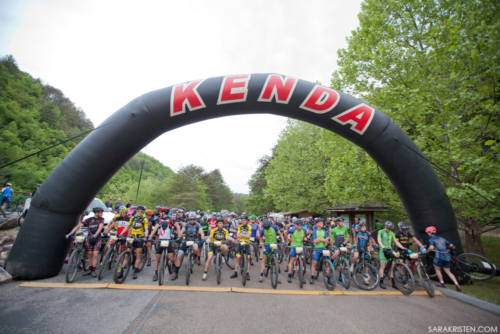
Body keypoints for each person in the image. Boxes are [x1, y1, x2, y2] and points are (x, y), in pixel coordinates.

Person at [67, 207, 105, 277]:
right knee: (89, 254)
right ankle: (90, 269)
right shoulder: (89, 220)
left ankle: (93, 270)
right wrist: (71, 233)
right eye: (101, 212)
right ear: (96, 213)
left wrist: (96, 234)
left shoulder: (101, 219)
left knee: (95, 254)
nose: (102, 214)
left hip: (97, 239)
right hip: (89, 239)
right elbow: (78, 225)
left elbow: (100, 227)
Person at [150, 207, 182, 281]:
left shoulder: (171, 219)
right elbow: (155, 228)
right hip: (161, 240)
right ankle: (156, 273)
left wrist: (179, 236)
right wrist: (150, 236)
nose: (159, 213)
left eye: (160, 212)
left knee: (170, 257)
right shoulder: (159, 219)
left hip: (168, 240)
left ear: (164, 212)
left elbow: (177, 227)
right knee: (157, 258)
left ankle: (173, 264)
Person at [426, 226, 461, 292]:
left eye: (428, 233)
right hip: (447, 256)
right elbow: (451, 245)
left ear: (430, 233)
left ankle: (442, 283)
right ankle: (457, 284)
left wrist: (427, 251)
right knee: (448, 271)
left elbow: (431, 248)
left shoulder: (431, 239)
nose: (428, 234)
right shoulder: (442, 238)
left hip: (439, 256)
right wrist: (447, 251)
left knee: (437, 269)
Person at [119, 205, 149, 279]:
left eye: (141, 211)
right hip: (132, 237)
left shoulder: (145, 219)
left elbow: (146, 229)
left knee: (138, 255)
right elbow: (127, 226)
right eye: (138, 211)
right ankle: (122, 270)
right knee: (126, 254)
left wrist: (145, 236)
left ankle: (135, 271)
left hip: (140, 238)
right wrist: (121, 233)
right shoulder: (133, 218)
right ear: (136, 211)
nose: (139, 212)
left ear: (143, 212)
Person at [173, 212, 204, 280]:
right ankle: (176, 272)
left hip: (194, 241)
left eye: (193, 219)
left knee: (196, 249)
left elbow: (201, 232)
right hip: (186, 241)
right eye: (190, 219)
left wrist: (202, 238)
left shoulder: (198, 225)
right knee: (179, 256)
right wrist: (179, 237)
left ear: (195, 218)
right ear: (188, 219)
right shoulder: (186, 224)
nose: (192, 220)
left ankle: (195, 256)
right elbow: (182, 231)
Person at [377, 221, 406, 289]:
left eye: (391, 229)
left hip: (389, 250)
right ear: (385, 227)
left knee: (392, 266)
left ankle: (393, 282)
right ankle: (381, 281)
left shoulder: (392, 233)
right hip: (383, 250)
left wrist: (402, 247)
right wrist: (383, 247)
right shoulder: (381, 231)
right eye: (389, 229)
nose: (390, 230)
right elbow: (379, 240)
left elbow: (395, 241)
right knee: (383, 266)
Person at [310, 219, 332, 285]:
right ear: (317, 224)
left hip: (324, 249)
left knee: (327, 264)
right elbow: (315, 241)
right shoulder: (314, 231)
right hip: (317, 249)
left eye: (323, 222)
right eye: (321, 222)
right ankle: (312, 277)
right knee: (314, 264)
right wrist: (323, 240)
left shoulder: (324, 231)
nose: (322, 224)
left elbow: (327, 240)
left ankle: (329, 279)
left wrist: (319, 239)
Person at [231, 215, 252, 280]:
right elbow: (237, 235)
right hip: (240, 243)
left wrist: (242, 235)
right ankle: (235, 272)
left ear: (247, 221)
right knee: (237, 258)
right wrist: (244, 235)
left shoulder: (249, 227)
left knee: (248, 260)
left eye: (244, 220)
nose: (243, 221)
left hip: (247, 243)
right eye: (242, 220)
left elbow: (248, 236)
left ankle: (247, 273)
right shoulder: (240, 227)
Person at [286, 219, 306, 284]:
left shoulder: (304, 230)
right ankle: (289, 276)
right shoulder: (293, 230)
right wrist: (287, 240)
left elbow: (307, 232)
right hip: (294, 247)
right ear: (296, 225)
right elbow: (285, 232)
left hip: (300, 247)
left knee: (302, 261)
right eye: (299, 225)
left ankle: (301, 277)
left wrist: (304, 238)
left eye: (301, 225)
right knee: (291, 261)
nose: (300, 226)